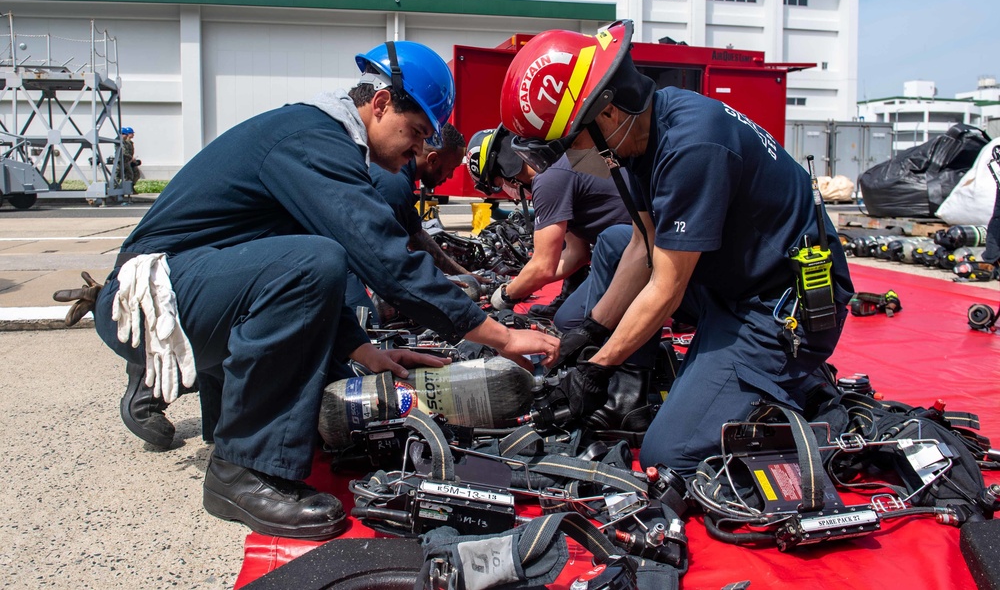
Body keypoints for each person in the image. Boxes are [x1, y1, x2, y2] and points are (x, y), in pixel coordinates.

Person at [78, 40, 558, 539]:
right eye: (416, 133)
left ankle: (234, 433)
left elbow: (290, 267)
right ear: (381, 104)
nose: (419, 150)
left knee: (311, 262)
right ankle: (238, 472)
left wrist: (362, 349)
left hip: (191, 288)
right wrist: (497, 336)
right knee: (316, 260)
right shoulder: (312, 139)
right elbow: (379, 255)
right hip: (148, 303)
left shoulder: (318, 140)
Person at [499, 20, 854, 476]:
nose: (569, 160)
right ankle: (633, 400)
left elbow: (665, 287)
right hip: (727, 283)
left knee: (671, 454)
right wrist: (589, 331)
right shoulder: (635, 139)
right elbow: (642, 250)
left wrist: (596, 367)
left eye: (570, 145)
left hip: (780, 309)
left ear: (605, 112)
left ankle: (796, 390)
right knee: (612, 241)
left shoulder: (691, 146)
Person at [466, 126, 631, 324]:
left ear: (505, 171)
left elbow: (544, 266)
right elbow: (576, 254)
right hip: (631, 242)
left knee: (568, 322)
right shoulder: (557, 164)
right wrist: (520, 284)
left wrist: (505, 294)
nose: (506, 191)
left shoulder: (547, 180)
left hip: (632, 251)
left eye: (499, 184)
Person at [344, 122, 479, 321]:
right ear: (433, 160)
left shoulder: (399, 177)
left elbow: (417, 236)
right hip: (341, 266)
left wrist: (464, 273)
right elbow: (391, 258)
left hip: (349, 260)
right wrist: (436, 282)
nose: (450, 176)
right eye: (449, 169)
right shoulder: (393, 184)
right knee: (369, 328)